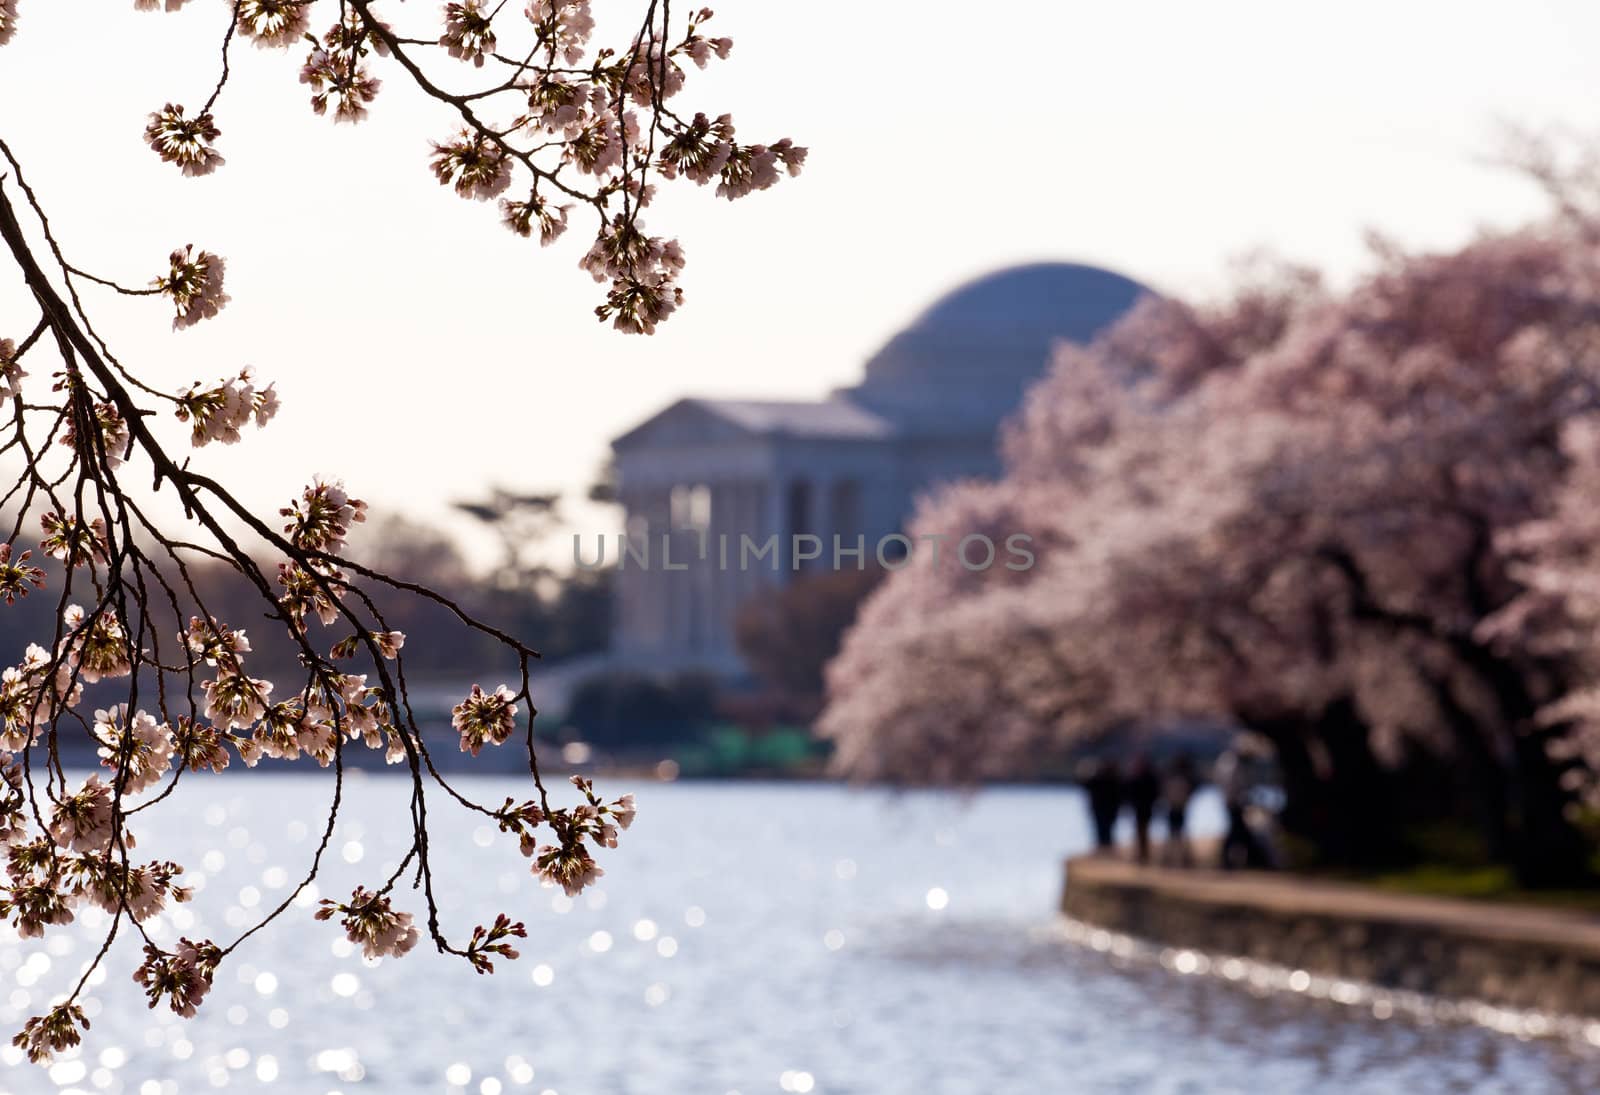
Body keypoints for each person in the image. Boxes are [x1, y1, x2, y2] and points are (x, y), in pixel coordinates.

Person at [1161, 753, 1199, 867]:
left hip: (1178, 807)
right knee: (1174, 834)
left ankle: (1181, 858)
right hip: (1175, 807)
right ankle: (1171, 858)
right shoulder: (1179, 778)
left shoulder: (1178, 777)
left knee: (1177, 834)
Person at [1124, 753, 1160, 865]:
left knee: (1142, 831)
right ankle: (1141, 854)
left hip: (1144, 808)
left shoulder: (1143, 778)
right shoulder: (1141, 777)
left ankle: (1143, 854)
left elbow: (1154, 793)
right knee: (1140, 831)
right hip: (1140, 808)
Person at [1081, 758, 1123, 852]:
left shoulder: (1106, 779)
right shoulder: (1114, 779)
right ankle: (1105, 848)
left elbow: (1084, 784)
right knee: (1104, 830)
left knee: (1103, 830)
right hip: (1105, 809)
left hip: (1104, 809)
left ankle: (1104, 848)